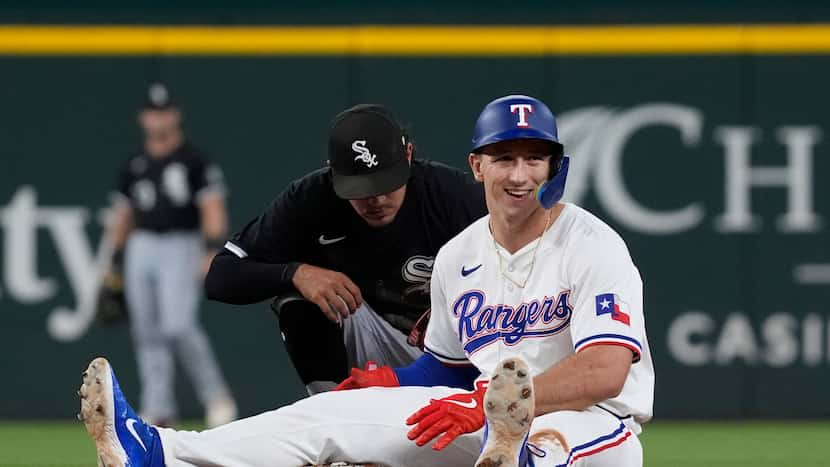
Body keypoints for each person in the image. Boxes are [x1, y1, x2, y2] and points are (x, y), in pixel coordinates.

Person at [78, 94, 654, 467]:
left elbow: (605, 371)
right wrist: (388, 380)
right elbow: (447, 369)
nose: (520, 174)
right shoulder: (460, 255)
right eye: (505, 158)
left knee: (546, 452)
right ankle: (157, 451)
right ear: (478, 165)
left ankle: (517, 457)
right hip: (477, 416)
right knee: (324, 419)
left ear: (556, 167)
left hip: (589, 427)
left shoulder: (591, 243)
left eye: (535, 159)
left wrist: (488, 407)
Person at [203, 103, 487, 394]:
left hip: (451, 354)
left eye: (386, 183)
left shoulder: (452, 196)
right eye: (361, 188)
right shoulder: (311, 199)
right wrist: (295, 273)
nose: (375, 199)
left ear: (409, 156)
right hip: (371, 340)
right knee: (297, 298)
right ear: (333, 173)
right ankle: (332, 410)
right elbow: (220, 277)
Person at [101, 83, 237, 428]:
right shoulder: (135, 164)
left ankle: (216, 396)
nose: (158, 118)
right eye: (152, 112)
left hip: (181, 242)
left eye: (164, 111)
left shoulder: (194, 160)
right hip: (142, 245)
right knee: (146, 330)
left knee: (178, 325)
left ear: (175, 115)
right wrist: (115, 261)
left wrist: (211, 248)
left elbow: (213, 207)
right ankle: (158, 407)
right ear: (143, 118)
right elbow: (123, 216)